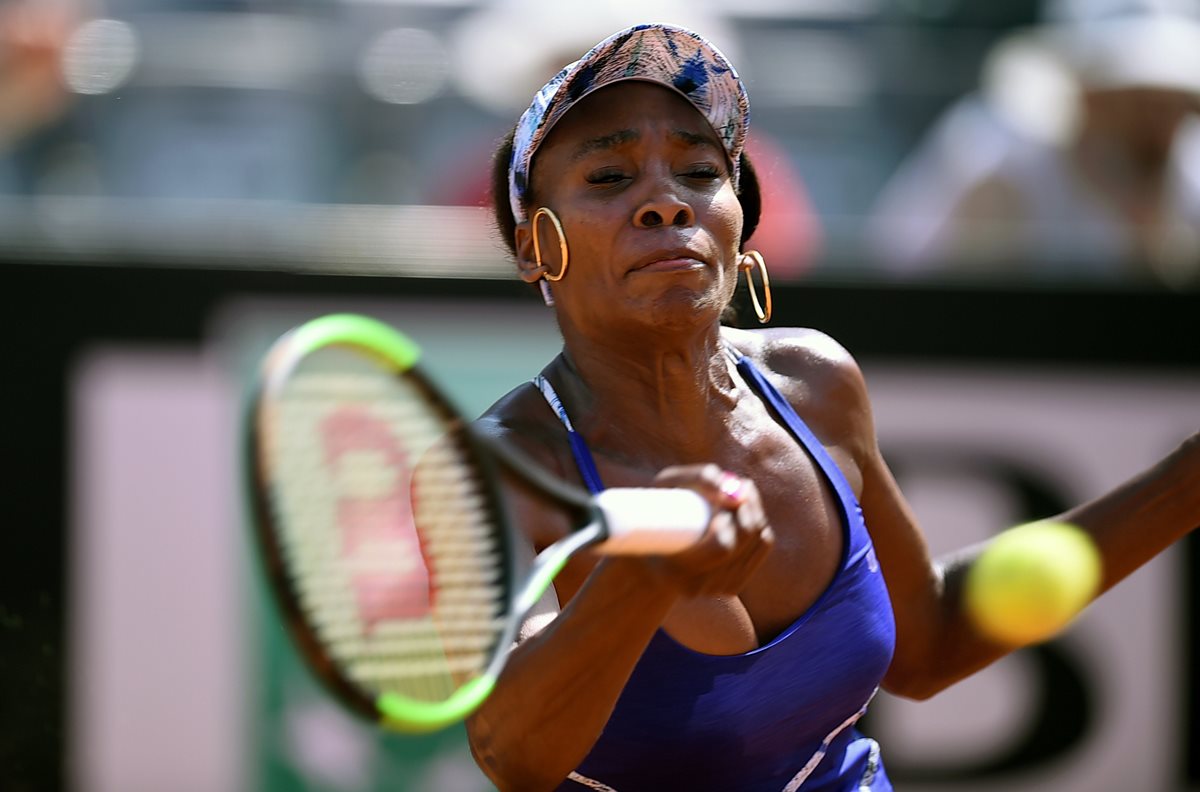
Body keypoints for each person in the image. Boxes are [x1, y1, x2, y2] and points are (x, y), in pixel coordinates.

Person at [466, 23, 1199, 792]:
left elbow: (931, 641)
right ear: (532, 246)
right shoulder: (504, 465)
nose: (665, 203)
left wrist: (1186, 482)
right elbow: (512, 756)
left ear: (740, 219)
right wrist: (640, 582)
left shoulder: (815, 382)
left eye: (698, 170)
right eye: (610, 176)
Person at [866, 5, 1200, 286]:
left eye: (1174, 102)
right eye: (1137, 101)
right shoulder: (995, 158)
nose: (1159, 122)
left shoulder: (1187, 172)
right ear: (1086, 92)